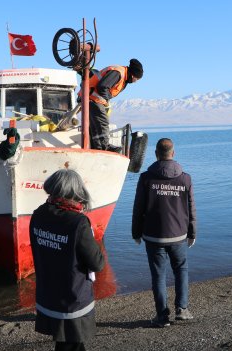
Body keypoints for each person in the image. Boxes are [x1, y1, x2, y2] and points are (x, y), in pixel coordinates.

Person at [30, 169, 105, 351]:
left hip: (48, 294)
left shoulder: (38, 214)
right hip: (72, 297)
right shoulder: (78, 222)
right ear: (75, 191)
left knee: (69, 344)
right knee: (70, 344)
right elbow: (97, 263)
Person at [132, 138, 197, 327]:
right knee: (181, 270)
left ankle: (162, 317)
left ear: (156, 154)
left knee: (158, 275)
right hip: (178, 235)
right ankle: (182, 309)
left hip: (153, 236)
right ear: (173, 153)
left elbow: (138, 208)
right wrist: (192, 232)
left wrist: (136, 233)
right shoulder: (185, 178)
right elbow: (191, 208)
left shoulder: (146, 178)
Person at [86, 58, 143, 152]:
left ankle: (98, 147)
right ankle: (105, 146)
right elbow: (102, 87)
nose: (136, 81)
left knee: (96, 125)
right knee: (103, 122)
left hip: (91, 98)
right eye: (136, 79)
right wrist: (106, 99)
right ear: (133, 75)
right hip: (93, 98)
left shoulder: (123, 75)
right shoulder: (119, 73)